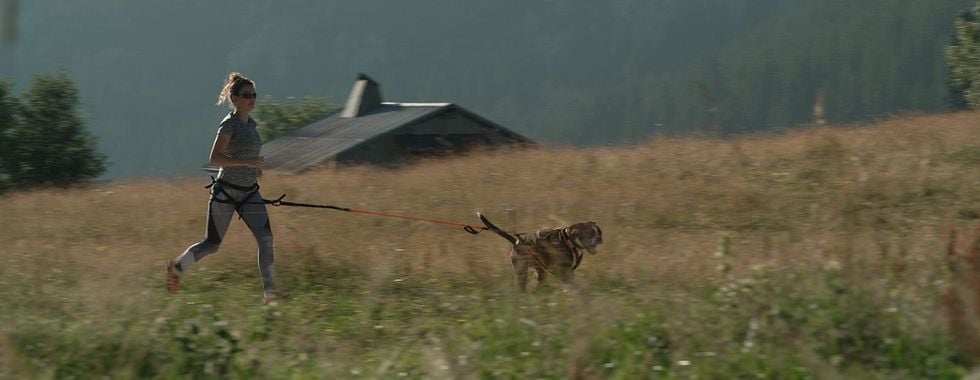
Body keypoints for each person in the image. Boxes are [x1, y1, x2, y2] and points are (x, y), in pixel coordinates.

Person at [167, 72, 283, 303]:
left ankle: (270, 293)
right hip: (226, 193)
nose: (252, 99)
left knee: (266, 239)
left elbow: (245, 157)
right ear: (235, 98)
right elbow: (215, 158)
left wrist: (252, 170)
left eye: (254, 95)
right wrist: (247, 163)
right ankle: (177, 267)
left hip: (250, 192)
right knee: (212, 244)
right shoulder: (229, 124)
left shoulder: (251, 124)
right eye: (246, 95)